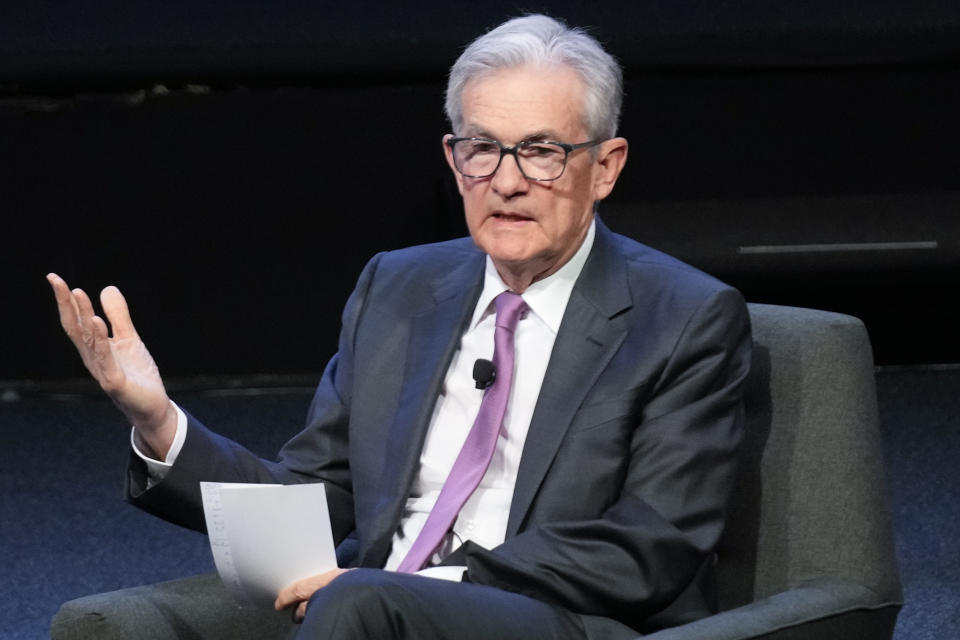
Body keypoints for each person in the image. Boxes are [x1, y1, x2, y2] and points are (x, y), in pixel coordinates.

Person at [48, 13, 751, 640]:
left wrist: (421, 586)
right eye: (482, 148)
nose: (505, 181)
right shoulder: (399, 287)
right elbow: (317, 502)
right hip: (369, 611)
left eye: (539, 151)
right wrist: (160, 423)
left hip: (558, 618)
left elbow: (649, 544)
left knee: (360, 604)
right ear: (454, 160)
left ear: (604, 167)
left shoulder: (682, 317)